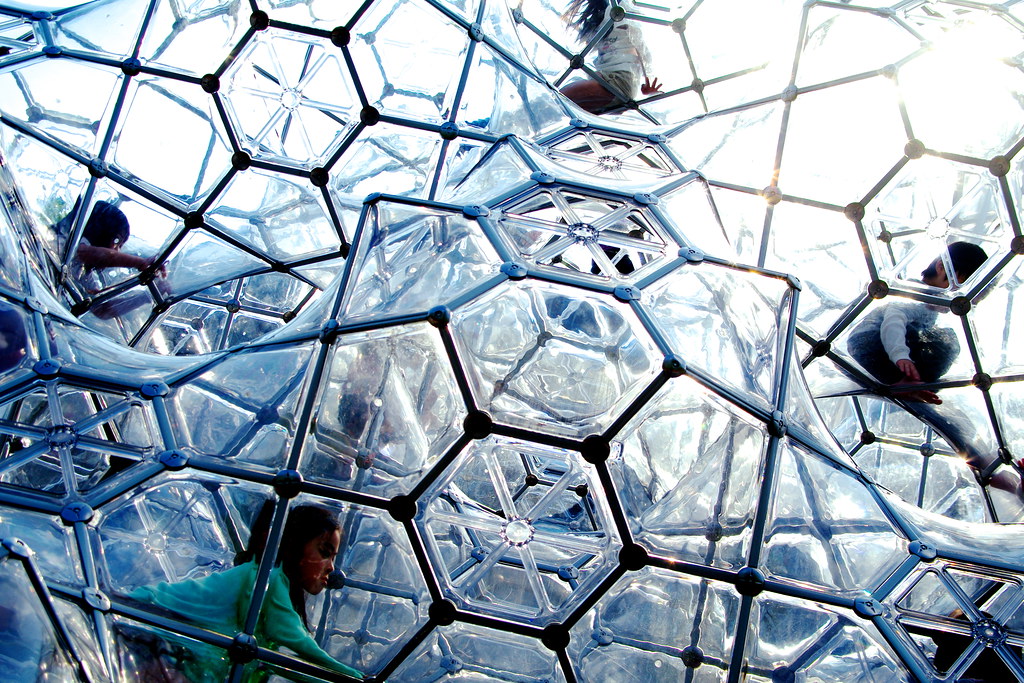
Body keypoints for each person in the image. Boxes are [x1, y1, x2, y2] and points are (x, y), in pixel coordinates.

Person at [125, 503, 363, 682]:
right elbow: (297, 642)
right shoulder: (267, 579)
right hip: (143, 628)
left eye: (333, 557)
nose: (331, 568)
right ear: (296, 544)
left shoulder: (267, 582)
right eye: (324, 552)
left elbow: (284, 664)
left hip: (161, 644)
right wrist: (354, 677)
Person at [847, 241, 1007, 480]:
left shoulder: (925, 305)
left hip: (874, 358)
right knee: (947, 343)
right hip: (869, 345)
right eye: (965, 293)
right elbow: (894, 319)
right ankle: (906, 383)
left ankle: (999, 475)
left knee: (951, 422)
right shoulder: (917, 297)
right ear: (943, 268)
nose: (962, 303)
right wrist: (900, 356)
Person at [58, 200, 167, 320]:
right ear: (100, 231)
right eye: (116, 241)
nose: (117, 251)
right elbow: (89, 253)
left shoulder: (84, 272)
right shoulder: (67, 242)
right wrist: (140, 262)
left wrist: (146, 297)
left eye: (120, 246)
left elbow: (102, 310)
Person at [559, 0, 661, 114]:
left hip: (618, 81)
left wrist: (648, 79)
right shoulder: (601, 17)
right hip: (606, 81)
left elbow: (640, 44)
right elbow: (590, 42)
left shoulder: (620, 8)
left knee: (560, 96)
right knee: (563, 108)